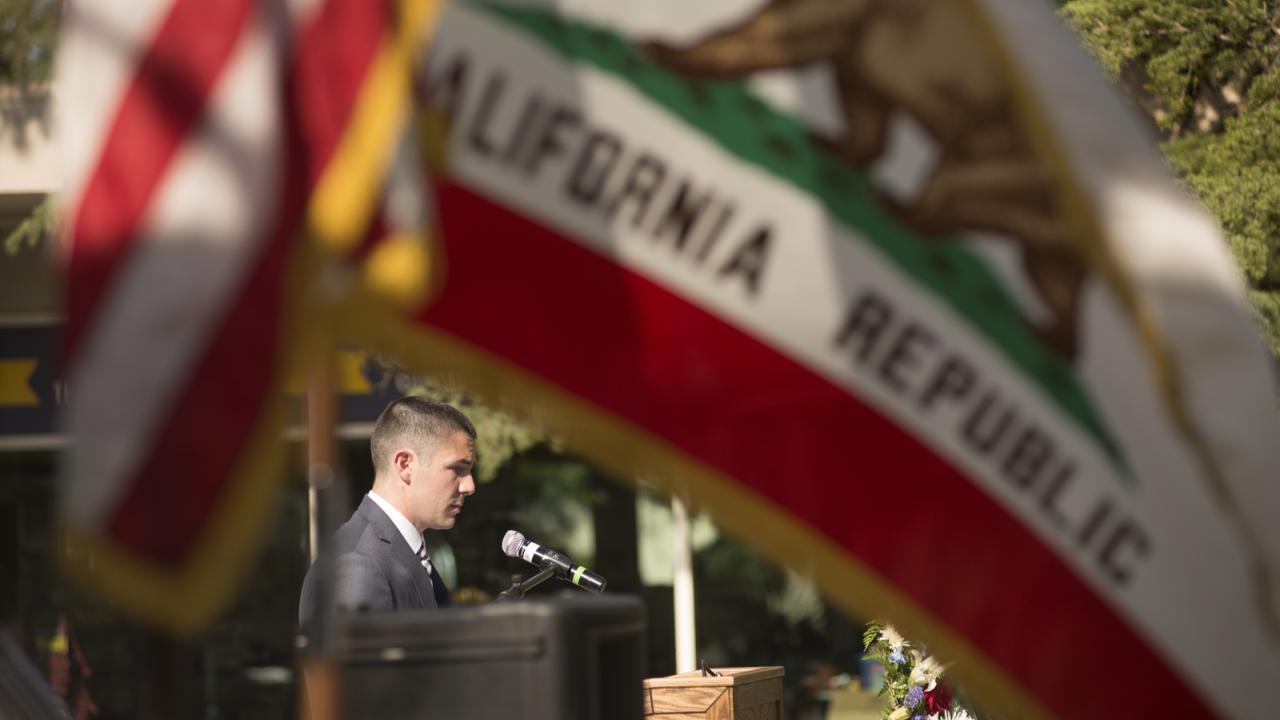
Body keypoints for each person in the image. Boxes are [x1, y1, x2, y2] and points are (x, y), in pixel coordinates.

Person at [298, 397, 477, 626]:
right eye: (457, 468)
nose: (469, 486)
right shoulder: (359, 565)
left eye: (469, 470)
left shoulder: (389, 551)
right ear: (405, 464)